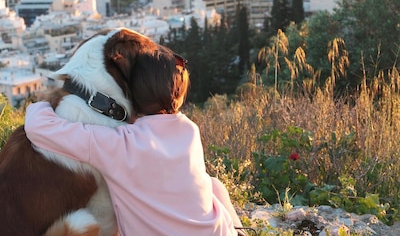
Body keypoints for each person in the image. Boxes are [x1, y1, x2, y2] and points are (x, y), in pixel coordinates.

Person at [24, 47, 245, 235]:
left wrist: (47, 102)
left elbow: (37, 126)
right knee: (215, 185)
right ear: (178, 96)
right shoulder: (190, 132)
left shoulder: (120, 145)